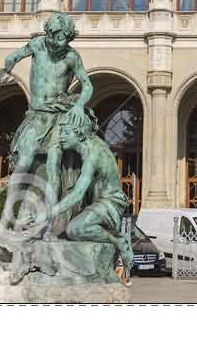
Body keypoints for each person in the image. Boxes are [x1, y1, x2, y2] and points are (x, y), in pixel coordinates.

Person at [0, 12, 92, 230]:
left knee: (53, 164)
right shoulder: (36, 45)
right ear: (48, 33)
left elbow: (87, 85)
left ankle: (48, 221)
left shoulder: (71, 56)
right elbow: (12, 56)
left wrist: (78, 105)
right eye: (56, 38)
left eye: (65, 40)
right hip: (36, 114)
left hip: (58, 114)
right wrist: (6, 71)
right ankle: (6, 218)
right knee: (23, 163)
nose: (60, 44)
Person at [42, 111, 135, 285]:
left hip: (110, 202)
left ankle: (119, 242)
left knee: (74, 230)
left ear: (80, 133)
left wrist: (48, 213)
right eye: (61, 132)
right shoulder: (87, 146)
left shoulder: (93, 153)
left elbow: (77, 194)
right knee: (68, 229)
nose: (61, 137)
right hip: (97, 202)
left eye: (66, 133)